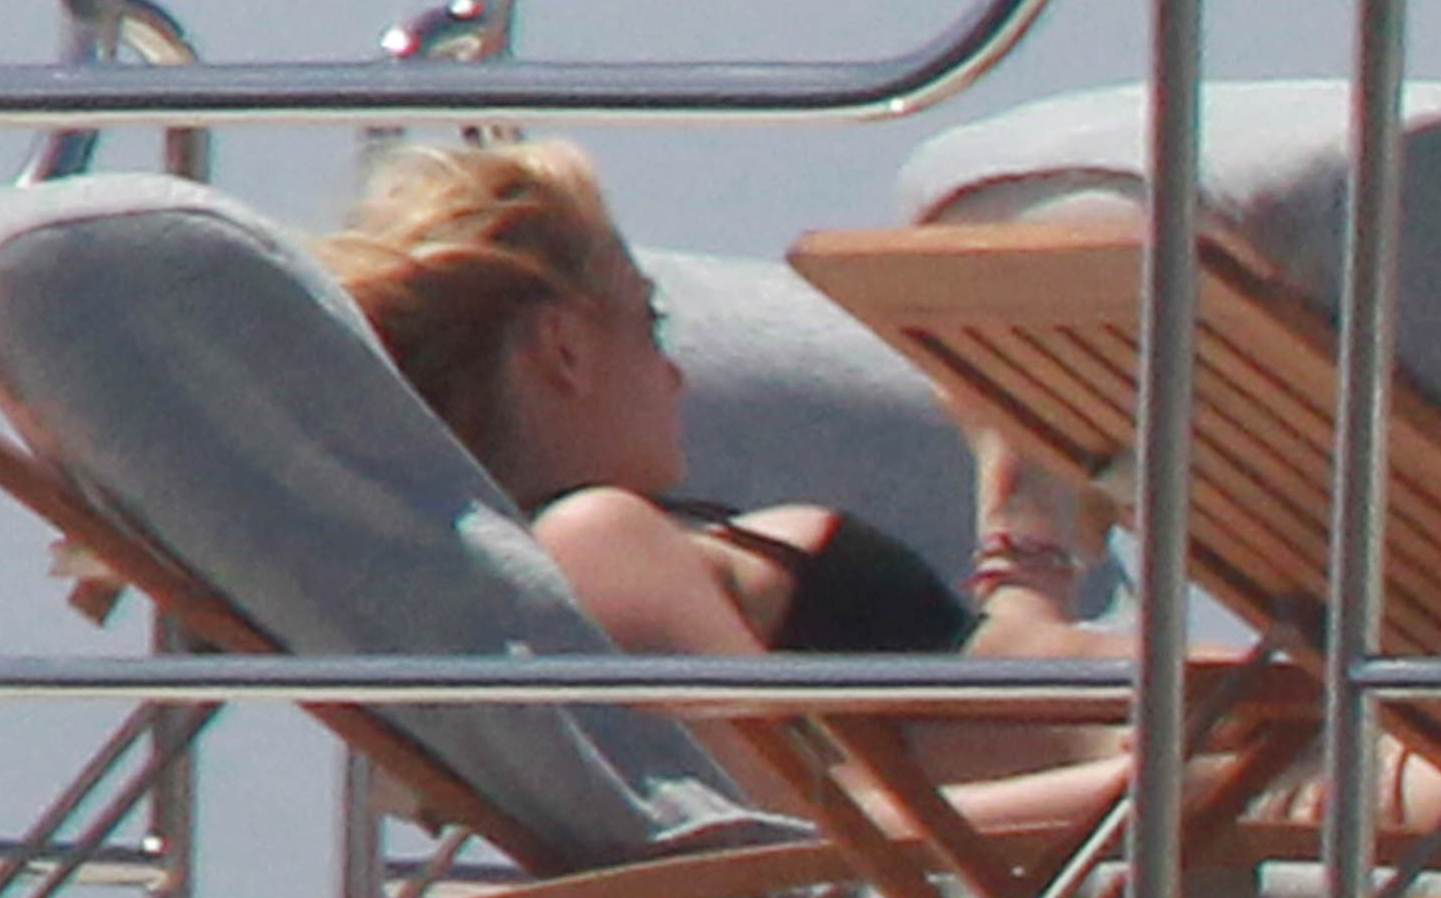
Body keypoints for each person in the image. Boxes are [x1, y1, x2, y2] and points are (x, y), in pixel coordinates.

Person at [319, 138, 1120, 782]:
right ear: (564, 348)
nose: (674, 374)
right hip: (1137, 782)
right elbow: (804, 843)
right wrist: (1135, 788)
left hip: (1114, 734)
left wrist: (1022, 539)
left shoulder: (575, 555)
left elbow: (950, 708)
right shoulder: (595, 539)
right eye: (649, 323)